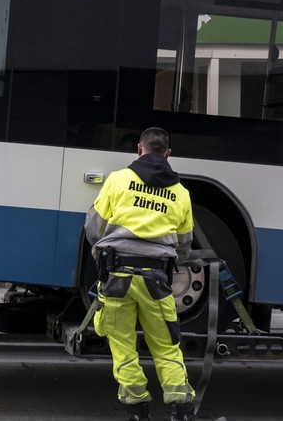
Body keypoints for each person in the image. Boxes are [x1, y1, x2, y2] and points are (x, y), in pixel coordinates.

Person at [85, 127, 196, 421]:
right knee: (166, 346)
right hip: (157, 280)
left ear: (139, 149)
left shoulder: (118, 180)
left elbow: (94, 228)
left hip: (116, 274)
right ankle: (180, 409)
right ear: (167, 153)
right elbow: (184, 246)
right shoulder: (181, 193)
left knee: (123, 346)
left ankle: (137, 410)